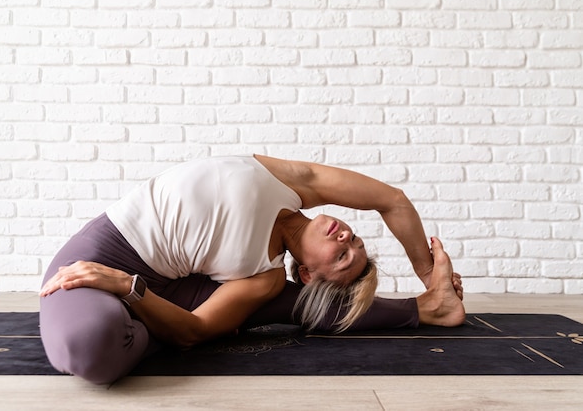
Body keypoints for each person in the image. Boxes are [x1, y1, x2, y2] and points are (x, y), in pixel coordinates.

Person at [39, 154, 465, 384]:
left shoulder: (265, 278)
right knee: (86, 343)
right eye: (353, 241)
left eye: (341, 259)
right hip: (104, 253)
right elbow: (393, 200)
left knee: (94, 350)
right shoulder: (296, 181)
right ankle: (432, 301)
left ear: (308, 276)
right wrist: (429, 273)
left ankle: (430, 309)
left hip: (150, 290)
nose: (345, 240)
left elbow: (193, 329)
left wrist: (128, 288)